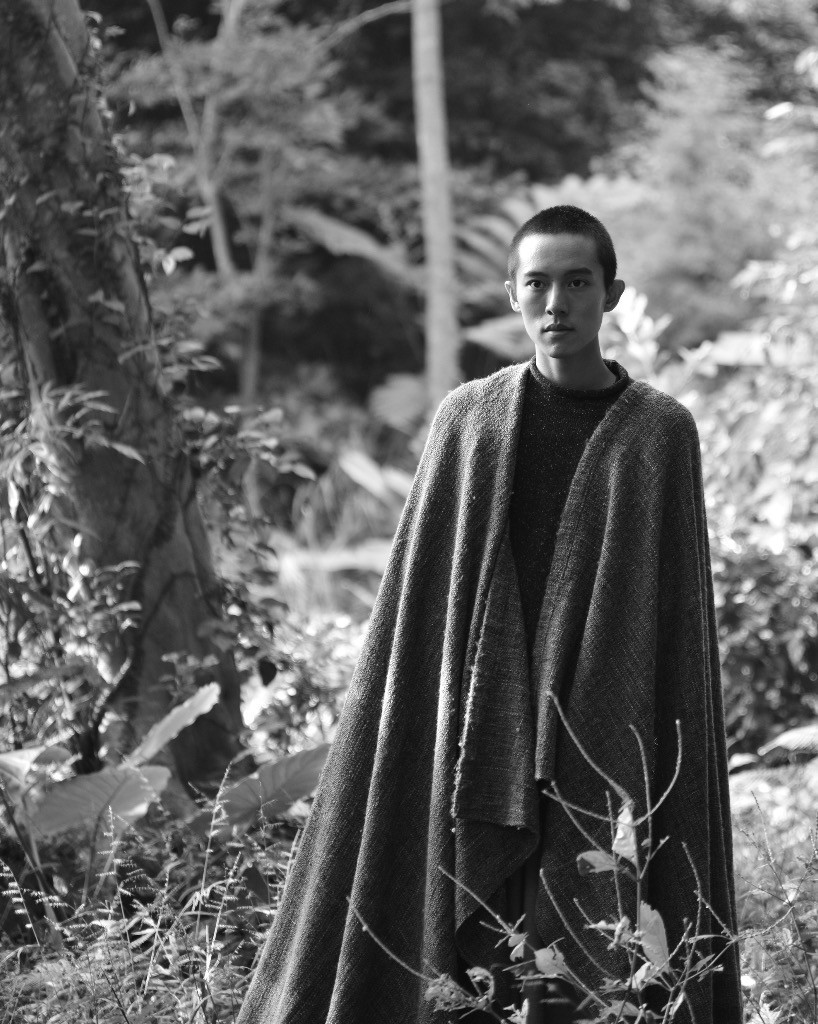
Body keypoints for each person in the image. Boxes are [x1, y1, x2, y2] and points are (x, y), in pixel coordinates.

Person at [237, 206, 742, 1024]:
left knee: (588, 931)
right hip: (478, 716)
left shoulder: (660, 433)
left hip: (599, 718)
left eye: (578, 282)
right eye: (537, 283)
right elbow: (418, 607)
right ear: (512, 294)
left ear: (612, 294)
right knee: (472, 944)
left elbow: (673, 627)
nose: (557, 304)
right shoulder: (468, 420)